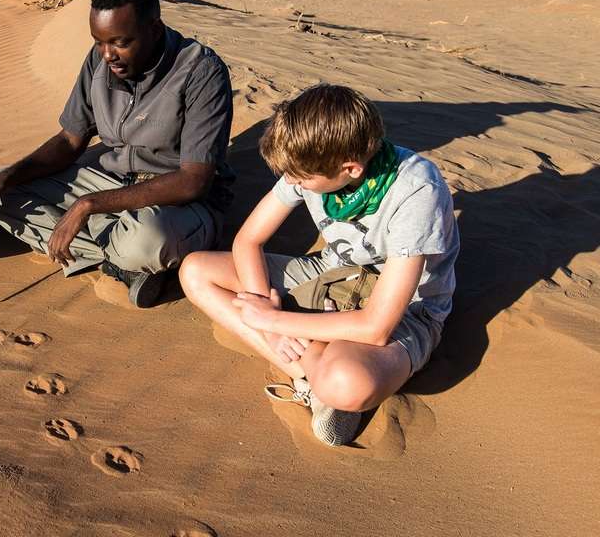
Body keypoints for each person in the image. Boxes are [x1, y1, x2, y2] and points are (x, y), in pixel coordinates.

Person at [179, 84, 459, 446]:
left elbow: (376, 327)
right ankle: (308, 371)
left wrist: (269, 319)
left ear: (350, 168)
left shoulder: (417, 189)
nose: (293, 183)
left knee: (346, 382)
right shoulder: (307, 161)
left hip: (406, 306)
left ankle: (324, 374)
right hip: (331, 274)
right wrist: (266, 314)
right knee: (196, 271)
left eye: (301, 180)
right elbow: (249, 240)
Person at [0, 0, 234, 307]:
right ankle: (121, 263)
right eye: (98, 42)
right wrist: (3, 177)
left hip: (176, 200)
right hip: (111, 181)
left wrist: (88, 205)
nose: (108, 55)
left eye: (120, 42)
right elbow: (69, 141)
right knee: (3, 192)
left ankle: (126, 253)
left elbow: (194, 181)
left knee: (145, 240)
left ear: (155, 29)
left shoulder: (201, 72)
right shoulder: (100, 61)